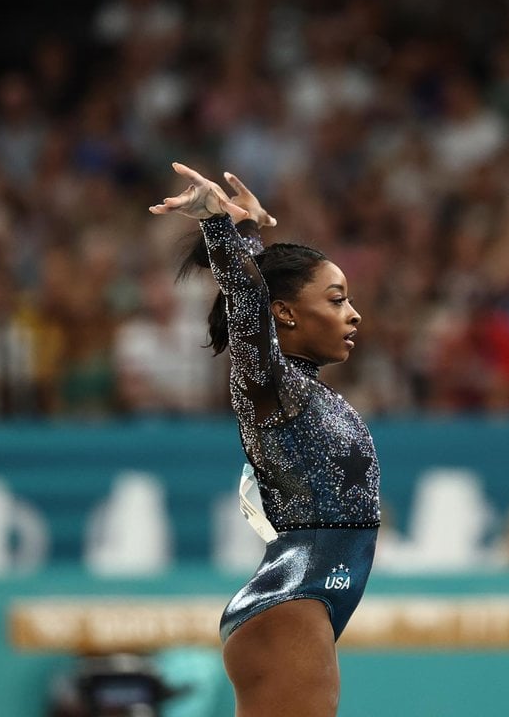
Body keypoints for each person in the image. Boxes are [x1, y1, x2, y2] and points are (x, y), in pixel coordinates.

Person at [148, 162, 380, 717]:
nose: (354, 315)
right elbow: (249, 299)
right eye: (336, 299)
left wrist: (249, 233)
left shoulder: (300, 390)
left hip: (305, 599)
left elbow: (258, 291)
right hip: (293, 601)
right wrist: (220, 229)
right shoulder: (271, 389)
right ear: (285, 314)